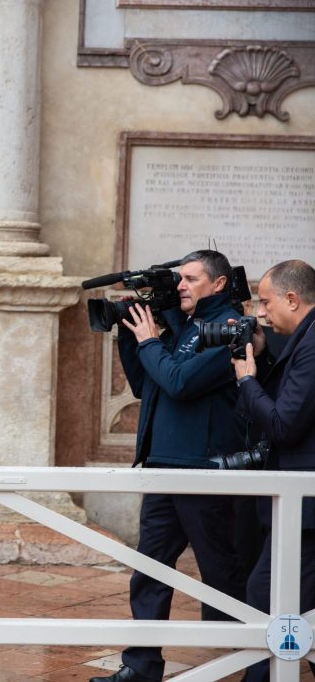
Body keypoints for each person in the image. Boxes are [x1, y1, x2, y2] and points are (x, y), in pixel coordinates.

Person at [91, 250, 247, 682]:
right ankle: (140, 667)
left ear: (218, 284)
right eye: (179, 278)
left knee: (221, 570)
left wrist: (149, 341)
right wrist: (130, 334)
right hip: (165, 464)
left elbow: (180, 383)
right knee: (150, 569)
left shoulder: (229, 328)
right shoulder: (186, 326)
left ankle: (259, 661)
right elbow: (148, 384)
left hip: (201, 467)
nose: (180, 284)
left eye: (192, 278)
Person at [231, 260, 315, 681]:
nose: (260, 312)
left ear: (292, 299)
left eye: (265, 302)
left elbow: (284, 423)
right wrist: (262, 360)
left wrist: (247, 381)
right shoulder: (304, 336)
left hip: (308, 509)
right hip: (301, 506)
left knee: (264, 594)